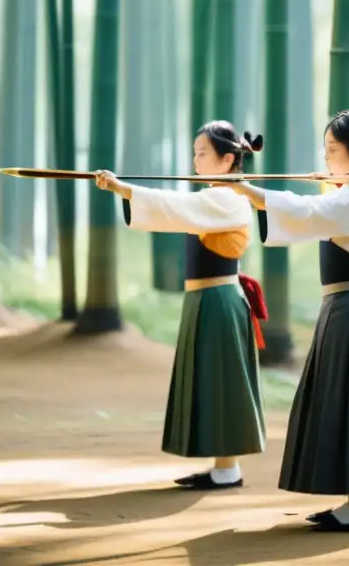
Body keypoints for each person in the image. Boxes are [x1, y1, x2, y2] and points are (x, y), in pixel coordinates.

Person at [223, 109, 349, 532]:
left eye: (334, 150)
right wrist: (334, 180)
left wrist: (248, 191)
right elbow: (327, 206)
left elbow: (307, 211)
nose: (327, 157)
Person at [94, 120, 268, 491]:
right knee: (212, 380)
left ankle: (227, 467)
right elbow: (179, 208)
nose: (195, 160)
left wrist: (124, 188)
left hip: (219, 300)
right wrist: (125, 192)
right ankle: (224, 466)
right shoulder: (217, 197)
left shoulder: (226, 198)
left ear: (226, 160)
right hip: (208, 299)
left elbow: (175, 206)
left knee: (221, 382)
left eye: (202, 153)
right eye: (194, 153)